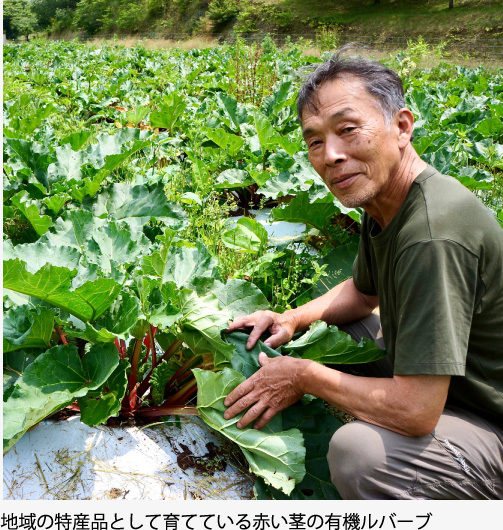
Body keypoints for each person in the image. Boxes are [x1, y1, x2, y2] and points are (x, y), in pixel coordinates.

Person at [224, 51, 503, 500]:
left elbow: (415, 413)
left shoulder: (433, 234)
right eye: (314, 142)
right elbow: (360, 293)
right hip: (454, 386)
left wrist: (304, 376)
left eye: (348, 129)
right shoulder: (388, 203)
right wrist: (292, 318)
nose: (331, 155)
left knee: (360, 456)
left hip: (490, 420)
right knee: (336, 325)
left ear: (402, 126)